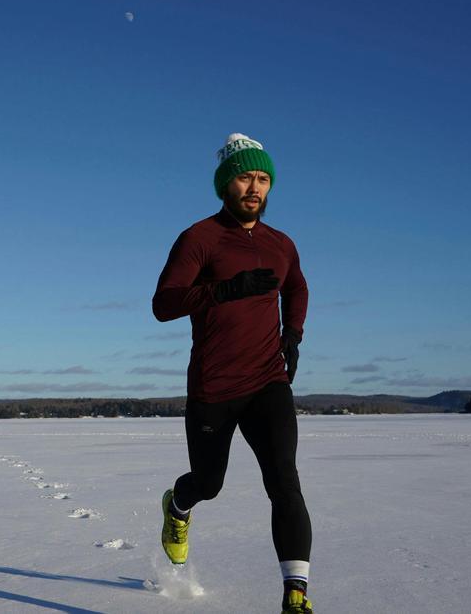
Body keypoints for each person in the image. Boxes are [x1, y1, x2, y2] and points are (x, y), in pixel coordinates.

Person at [151, 133, 313, 614]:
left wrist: (293, 335)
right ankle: (177, 506)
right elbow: (163, 304)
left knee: (285, 481)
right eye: (246, 177)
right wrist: (223, 290)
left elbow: (298, 287)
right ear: (226, 183)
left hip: (268, 380)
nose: (255, 188)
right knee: (209, 482)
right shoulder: (199, 238)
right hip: (214, 386)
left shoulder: (281, 244)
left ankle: (295, 596)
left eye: (263, 179)